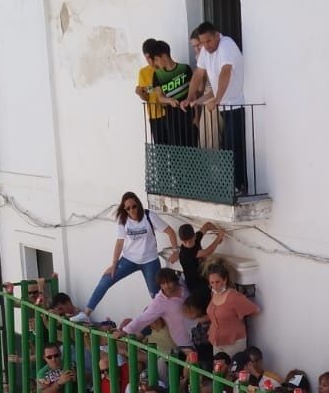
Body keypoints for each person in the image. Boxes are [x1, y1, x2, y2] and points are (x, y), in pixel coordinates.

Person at [78, 192, 172, 320]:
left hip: (150, 261)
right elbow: (119, 242)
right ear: (124, 210)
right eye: (128, 208)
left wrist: (175, 251)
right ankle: (86, 313)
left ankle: (169, 320)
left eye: (134, 206)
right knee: (106, 279)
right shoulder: (123, 220)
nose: (131, 210)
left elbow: (170, 231)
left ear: (138, 204)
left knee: (156, 295)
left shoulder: (149, 216)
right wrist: (114, 264)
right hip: (129, 259)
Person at [192, 22, 248, 194]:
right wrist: (190, 98)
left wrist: (216, 100)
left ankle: (239, 185)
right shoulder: (206, 51)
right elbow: (198, 73)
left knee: (234, 146)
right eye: (203, 43)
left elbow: (226, 71)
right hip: (225, 106)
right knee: (227, 146)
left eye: (209, 41)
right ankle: (231, 184)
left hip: (236, 105)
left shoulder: (226, 45)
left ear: (217, 35)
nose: (206, 46)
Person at [204, 260, 259, 357]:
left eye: (217, 282)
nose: (215, 286)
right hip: (216, 341)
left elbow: (255, 310)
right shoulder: (213, 294)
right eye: (212, 283)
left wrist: (238, 319)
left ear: (224, 280)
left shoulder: (234, 296)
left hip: (233, 342)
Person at [176, 221, 224, 289]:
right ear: (181, 240)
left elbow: (207, 225)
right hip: (195, 284)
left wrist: (217, 232)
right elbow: (207, 252)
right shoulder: (185, 253)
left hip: (202, 275)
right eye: (185, 242)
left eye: (190, 241)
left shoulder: (197, 238)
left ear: (194, 236)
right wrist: (219, 237)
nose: (188, 244)